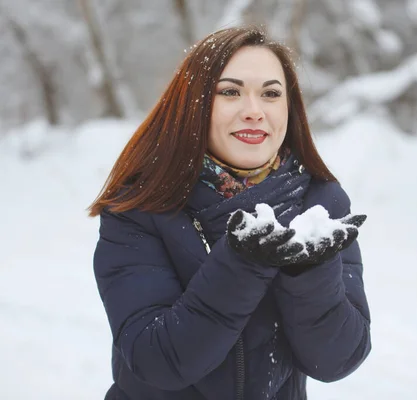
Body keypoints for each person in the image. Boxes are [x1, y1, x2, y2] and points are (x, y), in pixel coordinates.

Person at [88, 25, 371, 400]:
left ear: (290, 107)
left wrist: (310, 275)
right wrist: (240, 265)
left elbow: (337, 360)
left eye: (271, 94)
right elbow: (156, 359)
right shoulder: (141, 207)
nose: (254, 111)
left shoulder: (321, 203)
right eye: (230, 92)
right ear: (195, 104)